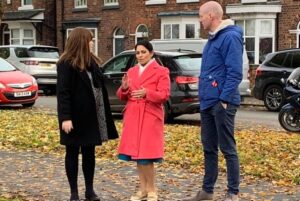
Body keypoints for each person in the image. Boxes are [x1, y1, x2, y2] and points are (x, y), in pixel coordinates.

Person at [186, 1, 243, 201]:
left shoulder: (230, 37)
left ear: (211, 15)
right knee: (208, 147)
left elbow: (235, 72)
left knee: (227, 148)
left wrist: (225, 99)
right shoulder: (212, 39)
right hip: (208, 101)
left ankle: (233, 192)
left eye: (201, 15)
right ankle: (207, 191)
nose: (199, 19)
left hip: (221, 102)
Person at [56, 27, 118, 201]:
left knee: (89, 153)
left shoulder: (92, 63)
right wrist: (65, 118)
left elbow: (99, 87)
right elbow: (63, 93)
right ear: (81, 42)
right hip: (74, 117)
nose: (92, 43)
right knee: (72, 152)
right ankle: (74, 193)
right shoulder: (65, 64)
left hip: (92, 116)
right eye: (90, 40)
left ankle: (89, 190)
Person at [117, 40, 170, 201]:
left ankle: (152, 189)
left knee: (147, 155)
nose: (140, 55)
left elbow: (164, 95)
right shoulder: (132, 71)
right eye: (137, 53)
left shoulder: (161, 71)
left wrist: (147, 92)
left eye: (143, 52)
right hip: (133, 115)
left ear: (151, 53)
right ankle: (142, 189)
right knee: (137, 156)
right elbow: (122, 96)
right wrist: (124, 88)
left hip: (150, 115)